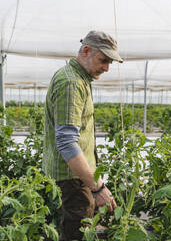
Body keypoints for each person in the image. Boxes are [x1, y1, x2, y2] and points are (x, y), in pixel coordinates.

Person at [43, 30, 123, 241]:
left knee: (79, 230)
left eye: (110, 63)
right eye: (103, 60)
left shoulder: (79, 78)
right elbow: (67, 142)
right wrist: (97, 189)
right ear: (86, 51)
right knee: (76, 234)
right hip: (72, 178)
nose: (106, 68)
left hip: (77, 176)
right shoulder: (72, 83)